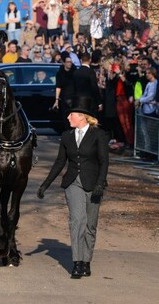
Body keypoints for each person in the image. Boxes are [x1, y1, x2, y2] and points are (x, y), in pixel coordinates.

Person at [37, 96, 109, 278]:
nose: (68, 118)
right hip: (73, 183)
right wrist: (46, 184)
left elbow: (104, 161)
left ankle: (86, 261)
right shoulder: (67, 136)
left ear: (83, 117)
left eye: (71, 115)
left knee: (90, 225)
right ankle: (77, 262)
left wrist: (100, 183)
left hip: (93, 184)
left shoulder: (98, 135)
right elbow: (60, 161)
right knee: (77, 221)